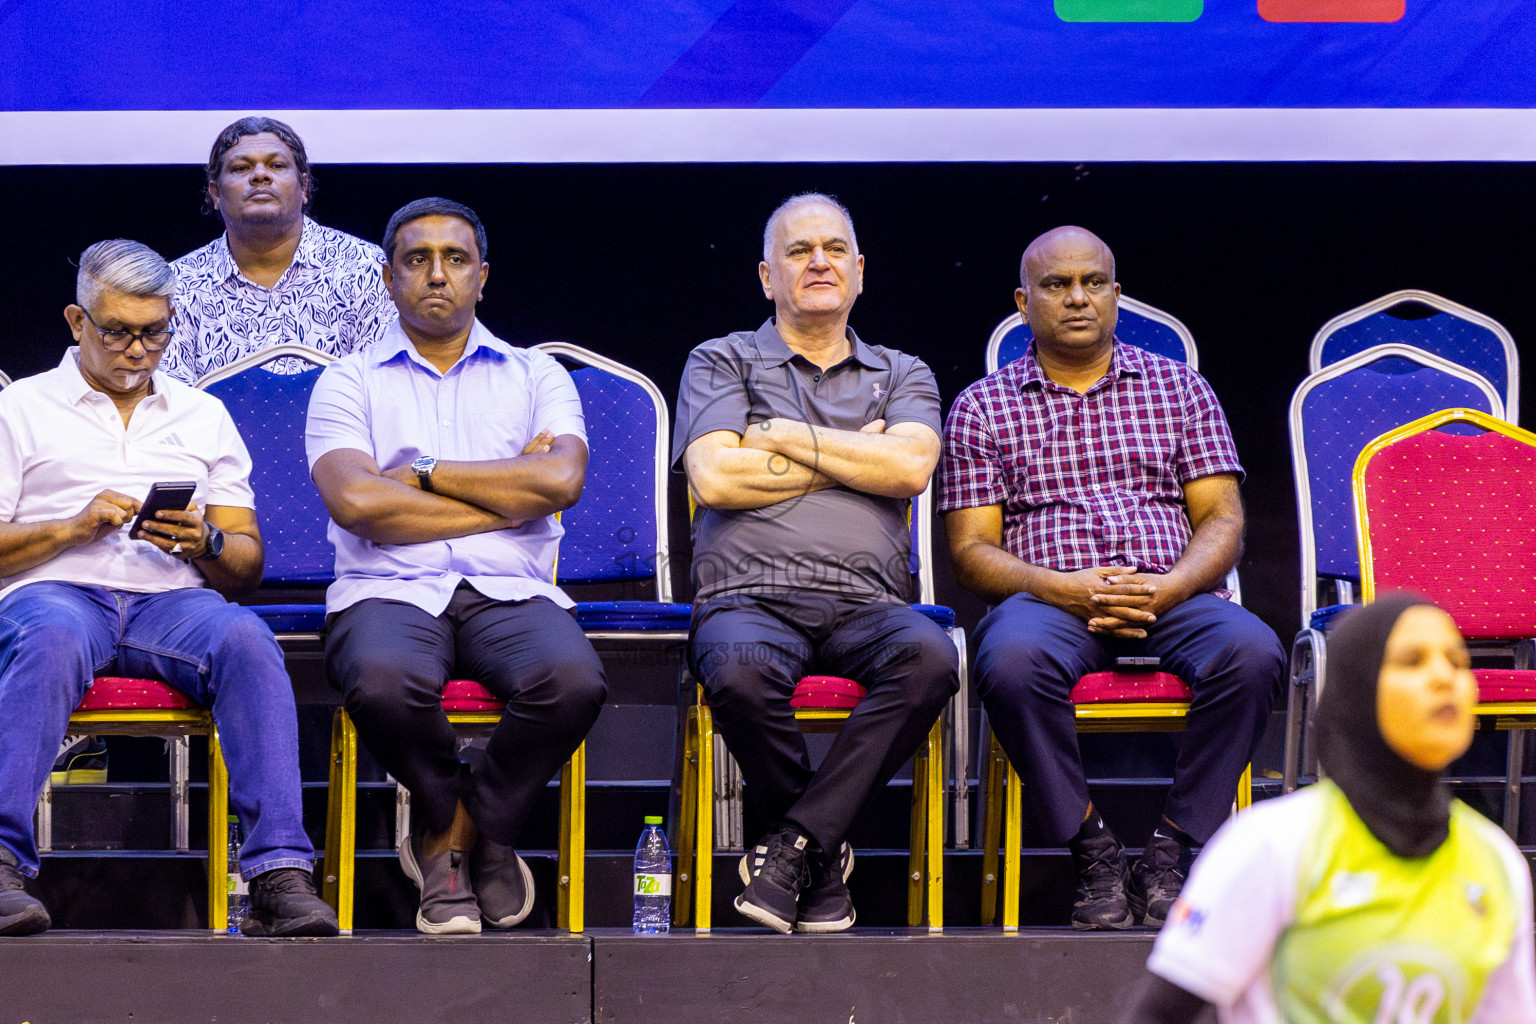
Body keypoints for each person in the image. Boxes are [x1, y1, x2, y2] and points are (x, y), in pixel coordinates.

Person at [940, 226, 1284, 930]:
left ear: (1117, 295)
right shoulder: (984, 404)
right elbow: (972, 551)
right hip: (1050, 598)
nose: (1076, 298)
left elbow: (1221, 520)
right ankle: (1092, 851)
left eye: (1093, 283)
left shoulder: (1178, 388)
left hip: (1171, 589)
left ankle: (1171, 851)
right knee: (1006, 659)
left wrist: (1171, 587)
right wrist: (1069, 588)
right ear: (1023, 301)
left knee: (1252, 653)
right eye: (1056, 285)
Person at [0, 240, 337, 937]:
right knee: (51, 636)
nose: (137, 350)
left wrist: (205, 541)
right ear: (76, 321)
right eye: (117, 331)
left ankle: (278, 876)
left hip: (171, 604)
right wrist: (69, 528)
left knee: (246, 637)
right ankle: (0, 862)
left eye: (154, 332)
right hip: (58, 591)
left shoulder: (201, 414)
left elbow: (246, 565)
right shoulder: (21, 408)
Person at [306, 198, 607, 935]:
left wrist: (425, 473)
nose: (436, 274)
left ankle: (464, 832)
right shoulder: (349, 381)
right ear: (387, 278)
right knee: (380, 683)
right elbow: (359, 504)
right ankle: (460, 828)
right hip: (386, 586)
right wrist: (511, 495)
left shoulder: (538, 375)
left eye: (455, 259)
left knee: (572, 683)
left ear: (482, 276)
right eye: (417, 260)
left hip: (511, 588)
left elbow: (562, 482)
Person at [674, 193, 959, 934]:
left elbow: (908, 471)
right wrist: (852, 455)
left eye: (834, 249)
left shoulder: (903, 371)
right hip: (748, 596)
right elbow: (716, 479)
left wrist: (774, 432)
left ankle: (793, 848)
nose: (819, 262)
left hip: (870, 603)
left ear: (859, 271)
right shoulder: (722, 359)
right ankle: (819, 857)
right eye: (798, 252)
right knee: (735, 667)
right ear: (767, 276)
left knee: (930, 659)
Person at [1124, 594, 1536, 1024]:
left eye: (1457, 661)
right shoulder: (1274, 843)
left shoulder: (1497, 862)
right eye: (1412, 661)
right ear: (1359, 690)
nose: (1444, 678)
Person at [162, 116, 395, 384]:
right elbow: (173, 403)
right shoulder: (176, 284)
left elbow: (380, 392)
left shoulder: (365, 267)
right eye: (241, 168)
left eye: (277, 165)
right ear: (215, 193)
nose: (260, 175)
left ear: (304, 186)